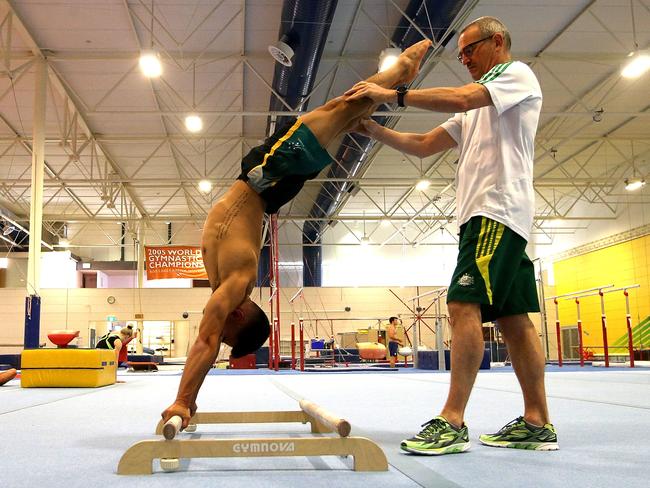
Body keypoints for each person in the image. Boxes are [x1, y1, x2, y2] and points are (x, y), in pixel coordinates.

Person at [161, 39, 433, 430]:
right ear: (239, 317)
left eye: (224, 338)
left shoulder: (228, 286)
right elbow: (205, 343)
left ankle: (390, 83)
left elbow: (206, 342)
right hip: (269, 178)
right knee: (340, 109)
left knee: (341, 112)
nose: (219, 335)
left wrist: (185, 401)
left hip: (266, 180)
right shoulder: (235, 286)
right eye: (228, 335)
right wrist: (184, 400)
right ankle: (398, 74)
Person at [346, 16, 557, 455]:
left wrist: (393, 93)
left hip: (493, 212)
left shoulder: (515, 75)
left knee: (463, 304)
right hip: (497, 217)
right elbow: (423, 144)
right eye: (459, 54)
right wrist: (370, 128)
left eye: (469, 50)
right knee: (515, 321)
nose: (463, 60)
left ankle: (452, 419)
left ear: (497, 41)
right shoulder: (477, 107)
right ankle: (538, 421)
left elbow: (461, 96)